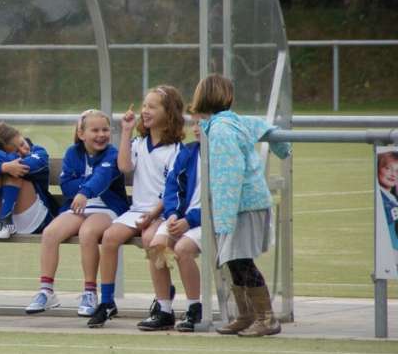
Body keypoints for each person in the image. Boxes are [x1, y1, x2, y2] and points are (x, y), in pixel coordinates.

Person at [192, 74, 291, 337]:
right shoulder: (226, 124)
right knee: (233, 261)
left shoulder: (222, 130)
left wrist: (224, 217)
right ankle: (246, 315)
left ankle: (266, 317)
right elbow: (263, 127)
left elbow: (229, 174)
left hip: (241, 206)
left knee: (241, 260)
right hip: (244, 204)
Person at [90, 86, 184, 328]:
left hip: (163, 212)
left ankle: (164, 308)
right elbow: (123, 166)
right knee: (110, 237)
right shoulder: (139, 143)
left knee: (153, 241)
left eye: (152, 107)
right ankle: (108, 301)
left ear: (169, 112)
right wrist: (126, 131)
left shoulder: (176, 150)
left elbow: (173, 190)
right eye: (144, 106)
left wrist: (154, 215)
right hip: (137, 211)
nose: (145, 111)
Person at [27, 109, 128, 316]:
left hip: (107, 209)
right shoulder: (73, 153)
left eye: (105, 130)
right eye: (95, 130)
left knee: (88, 232)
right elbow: (66, 186)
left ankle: (90, 292)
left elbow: (102, 177)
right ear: (81, 134)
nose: (101, 135)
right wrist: (83, 190)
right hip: (77, 207)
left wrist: (84, 190)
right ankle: (46, 291)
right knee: (50, 233)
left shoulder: (112, 154)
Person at [137, 117, 203, 332]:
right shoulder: (189, 152)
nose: (196, 129)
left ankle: (194, 307)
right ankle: (164, 309)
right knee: (156, 246)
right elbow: (172, 187)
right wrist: (173, 214)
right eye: (194, 123)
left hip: (206, 221)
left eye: (202, 124)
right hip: (181, 218)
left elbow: (220, 201)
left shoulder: (223, 158)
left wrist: (189, 220)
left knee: (183, 249)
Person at [0, 122, 58, 247]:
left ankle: (5, 221)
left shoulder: (39, 151)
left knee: (15, 169)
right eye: (16, 151)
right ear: (2, 152)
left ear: (22, 135)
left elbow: (25, 166)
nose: (23, 150)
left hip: (32, 217)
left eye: (22, 144)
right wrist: (3, 167)